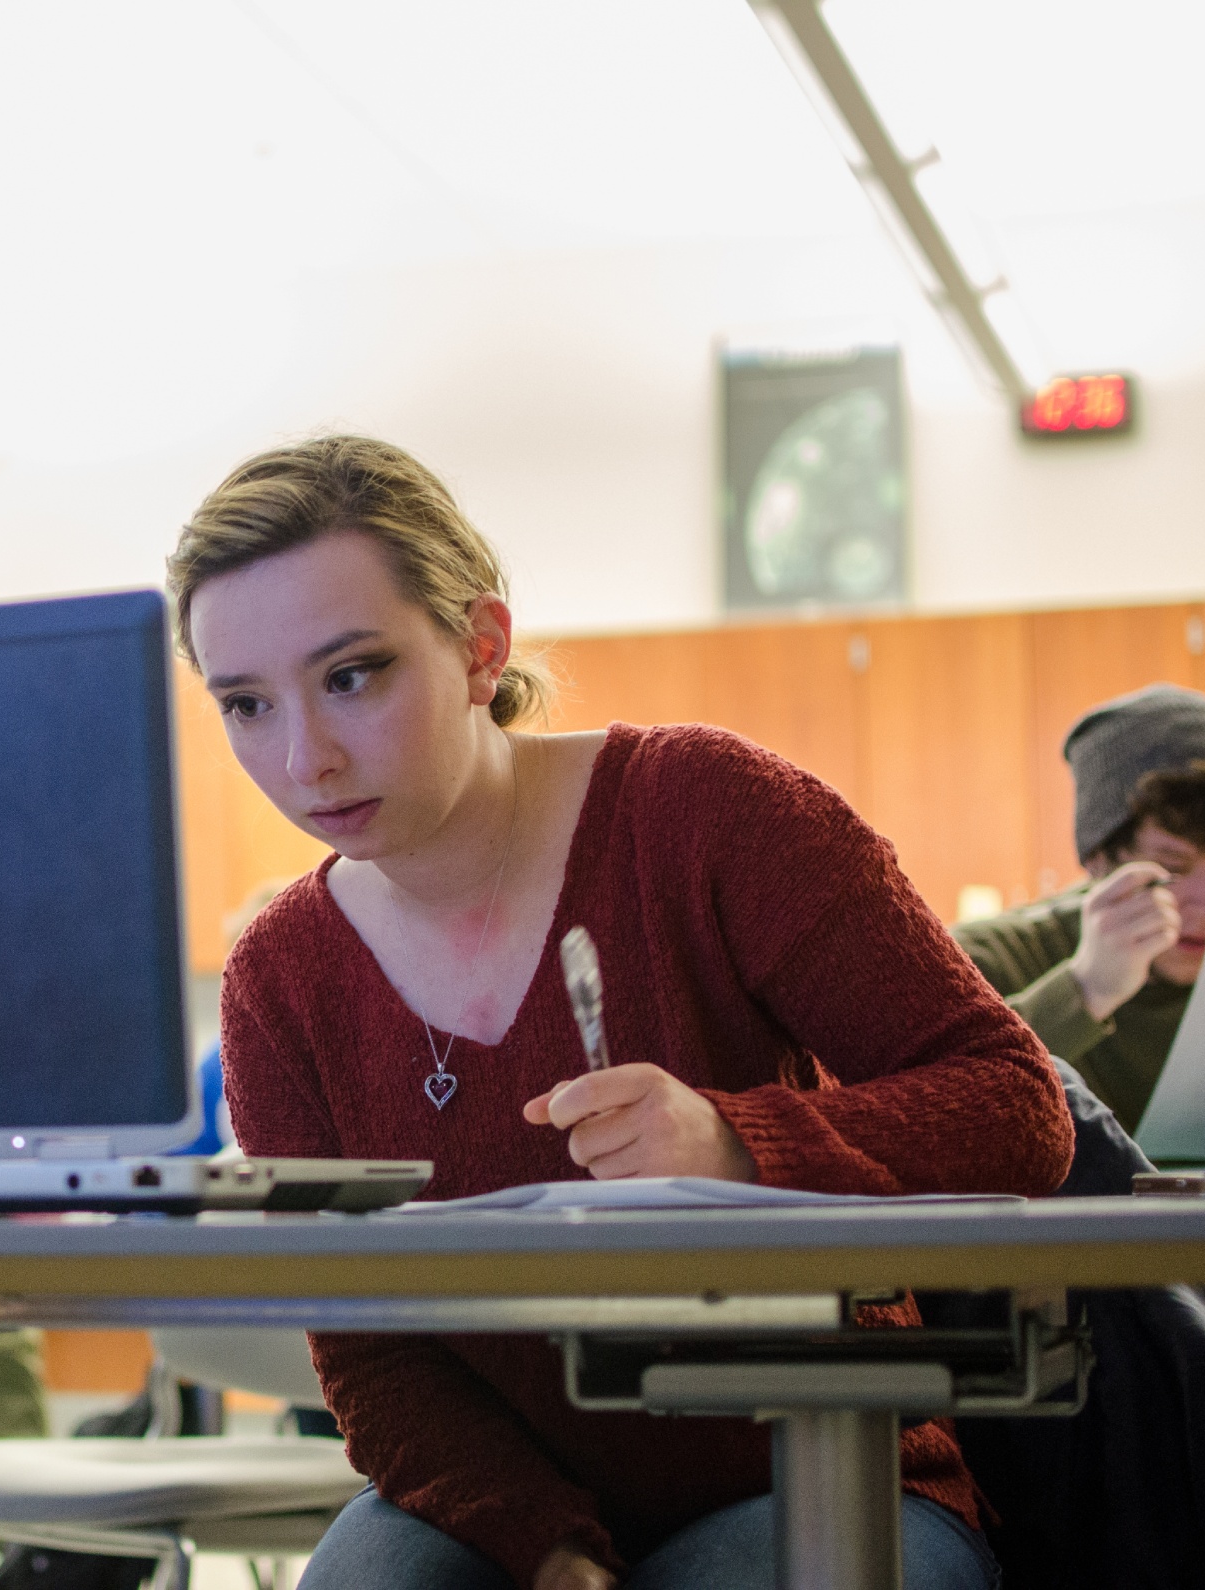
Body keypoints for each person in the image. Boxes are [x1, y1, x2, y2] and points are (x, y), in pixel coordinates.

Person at [168, 435, 1072, 1590]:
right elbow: (370, 1348)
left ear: (481, 647)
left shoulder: (707, 812)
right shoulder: (280, 976)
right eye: (246, 704)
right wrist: (544, 1551)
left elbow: (1015, 1106)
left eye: (352, 676)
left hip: (809, 1458)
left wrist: (736, 1142)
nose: (306, 758)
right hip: (489, 1498)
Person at [953, 682, 1205, 1406]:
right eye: (1172, 870)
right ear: (1100, 860)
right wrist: (1085, 989)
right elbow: (940, 1104)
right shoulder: (992, 958)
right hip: (1097, 1313)